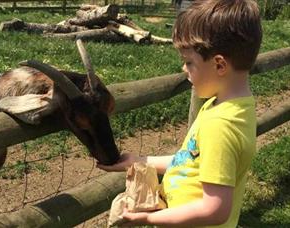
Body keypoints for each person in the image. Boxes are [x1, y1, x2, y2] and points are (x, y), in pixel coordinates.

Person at [97, 0, 262, 227]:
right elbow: (189, 160)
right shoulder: (231, 106)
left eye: (189, 62)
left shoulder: (220, 125)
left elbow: (215, 209)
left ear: (220, 65)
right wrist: (139, 161)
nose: (184, 69)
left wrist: (149, 217)